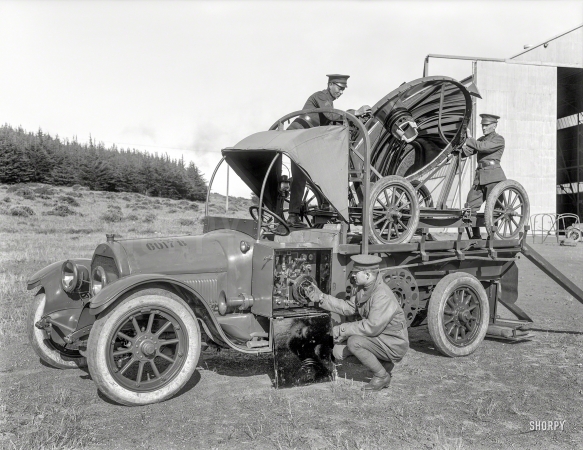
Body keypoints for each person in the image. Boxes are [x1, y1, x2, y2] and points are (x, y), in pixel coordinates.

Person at [307, 254, 409, 391]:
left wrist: (342, 329)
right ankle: (383, 364)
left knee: (354, 342)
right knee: (337, 352)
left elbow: (372, 327)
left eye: (356, 272)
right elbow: (347, 307)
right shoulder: (365, 289)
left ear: (367, 275)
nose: (353, 275)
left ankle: (381, 376)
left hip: (393, 343)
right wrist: (321, 297)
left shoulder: (381, 295)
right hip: (379, 340)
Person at [285, 74, 349, 227]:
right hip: (298, 137)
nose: (341, 92)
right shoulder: (322, 97)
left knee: (310, 174)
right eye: (339, 88)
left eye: (343, 90)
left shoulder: (328, 101)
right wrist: (354, 113)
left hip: (305, 141)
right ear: (330, 84)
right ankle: (294, 216)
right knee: (301, 176)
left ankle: (323, 206)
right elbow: (331, 115)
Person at [463, 114, 506, 239]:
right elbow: (468, 151)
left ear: (494, 126)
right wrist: (458, 147)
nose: (484, 128)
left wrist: (469, 139)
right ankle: (475, 236)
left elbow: (483, 147)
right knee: (469, 207)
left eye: (486, 125)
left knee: (493, 209)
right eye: (483, 125)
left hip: (494, 177)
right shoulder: (480, 139)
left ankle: (492, 236)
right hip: (480, 177)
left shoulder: (498, 139)